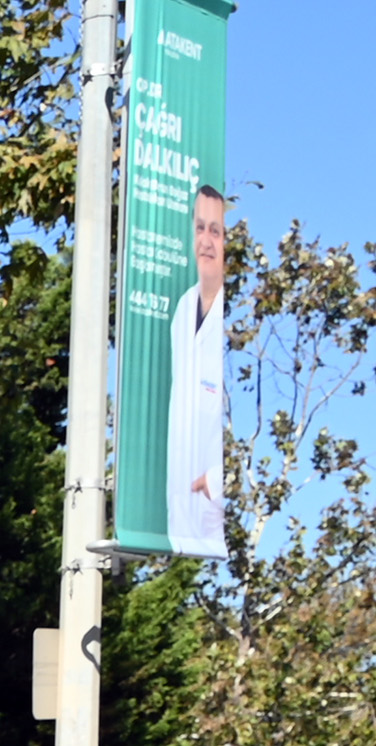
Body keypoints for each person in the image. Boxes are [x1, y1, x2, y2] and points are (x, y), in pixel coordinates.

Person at [167, 183, 228, 560]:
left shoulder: (234, 317)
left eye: (216, 230)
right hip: (177, 516)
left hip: (210, 517)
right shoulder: (183, 310)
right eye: (200, 229)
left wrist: (217, 481)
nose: (207, 240)